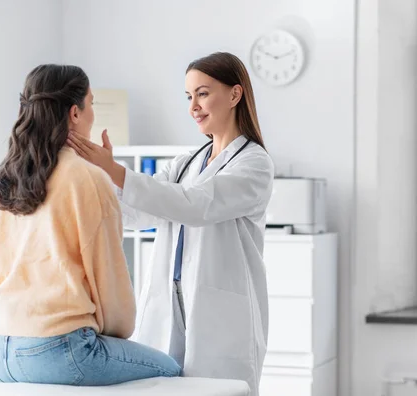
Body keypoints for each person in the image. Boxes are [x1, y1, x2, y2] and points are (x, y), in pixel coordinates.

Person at [67, 52, 274, 395]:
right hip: (170, 308)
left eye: (203, 93)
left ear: (235, 95)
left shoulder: (254, 164)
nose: (193, 106)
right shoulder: (185, 162)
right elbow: (139, 213)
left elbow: (196, 205)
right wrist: (90, 178)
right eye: (189, 96)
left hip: (219, 316)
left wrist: (114, 170)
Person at [0, 64, 181, 386]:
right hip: (57, 349)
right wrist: (119, 334)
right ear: (75, 113)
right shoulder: (86, 176)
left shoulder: (10, 173)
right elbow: (109, 274)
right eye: (91, 104)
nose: (92, 114)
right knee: (172, 372)